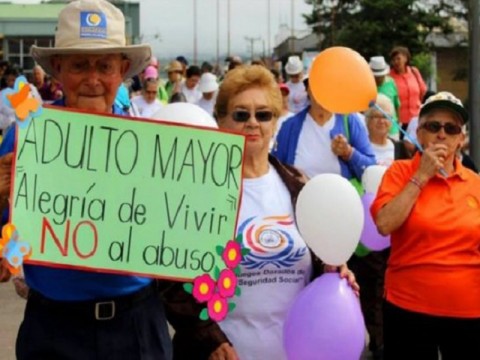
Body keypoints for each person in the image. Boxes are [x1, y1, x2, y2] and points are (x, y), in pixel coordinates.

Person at [0, 1, 230, 359]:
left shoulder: (156, 146)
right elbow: (5, 260)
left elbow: (183, 245)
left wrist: (206, 330)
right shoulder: (25, 140)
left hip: (136, 325)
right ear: (58, 68)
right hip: (52, 327)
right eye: (79, 65)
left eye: (105, 66)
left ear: (122, 70)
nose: (92, 79)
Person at [175, 64, 358, 360]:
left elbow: (322, 261)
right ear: (220, 120)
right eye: (240, 114)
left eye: (263, 114)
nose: (252, 123)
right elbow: (172, 284)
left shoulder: (300, 187)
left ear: (274, 122)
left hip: (294, 351)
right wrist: (208, 340)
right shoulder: (197, 191)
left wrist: (335, 272)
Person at [371, 91, 480, 359]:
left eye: (451, 128)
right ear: (419, 135)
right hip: (409, 307)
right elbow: (384, 224)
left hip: (469, 310)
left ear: (460, 140)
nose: (442, 134)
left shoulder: (475, 183)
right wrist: (421, 176)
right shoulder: (399, 173)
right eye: (433, 126)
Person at [348, 93, 409, 360]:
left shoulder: (401, 149)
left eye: (386, 117)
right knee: (370, 285)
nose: (381, 122)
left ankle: (388, 340)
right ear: (367, 121)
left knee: (392, 284)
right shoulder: (360, 150)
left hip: (396, 229)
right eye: (375, 117)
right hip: (366, 231)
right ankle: (376, 343)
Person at [272, 77, 376, 181]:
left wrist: (348, 153)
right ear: (308, 89)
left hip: (341, 196)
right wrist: (292, 177)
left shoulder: (349, 120)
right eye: (316, 86)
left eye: (327, 86)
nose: (322, 91)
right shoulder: (290, 126)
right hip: (302, 196)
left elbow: (371, 169)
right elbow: (275, 169)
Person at [389, 46, 427, 135]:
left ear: (406, 58)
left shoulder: (414, 71)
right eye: (393, 60)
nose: (396, 62)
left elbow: (423, 90)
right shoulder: (389, 77)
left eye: (398, 59)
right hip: (399, 122)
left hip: (416, 119)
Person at [369, 56, 401, 139]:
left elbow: (396, 105)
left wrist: (398, 123)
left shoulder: (391, 82)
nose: (378, 79)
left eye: (381, 76)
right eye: (376, 77)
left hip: (392, 129)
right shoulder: (366, 85)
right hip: (372, 130)